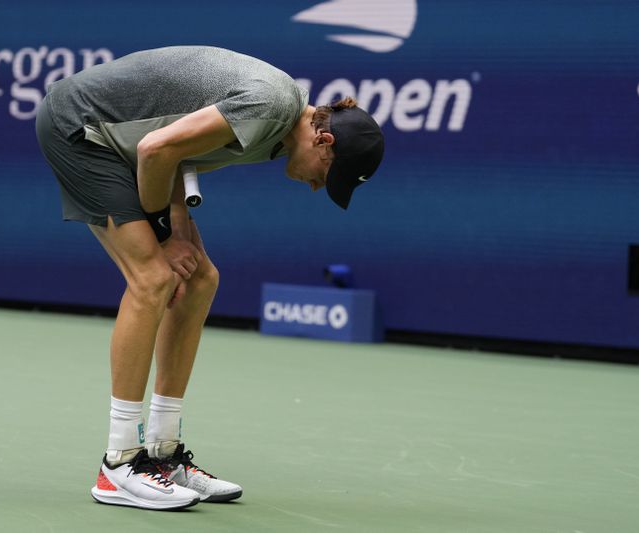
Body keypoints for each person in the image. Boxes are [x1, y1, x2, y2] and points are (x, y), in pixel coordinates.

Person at [35, 45, 384, 511]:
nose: (320, 187)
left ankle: (162, 452)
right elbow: (155, 148)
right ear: (325, 143)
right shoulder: (270, 107)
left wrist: (179, 229)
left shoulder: (277, 133)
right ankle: (118, 463)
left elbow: (176, 152)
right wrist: (165, 236)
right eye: (329, 176)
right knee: (153, 278)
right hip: (80, 128)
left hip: (131, 149)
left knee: (200, 278)